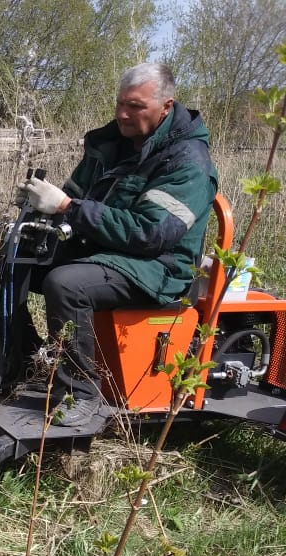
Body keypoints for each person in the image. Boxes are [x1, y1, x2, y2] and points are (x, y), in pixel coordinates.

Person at [20, 62, 218, 426]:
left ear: (166, 106)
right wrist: (38, 213)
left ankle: (81, 393)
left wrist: (67, 207)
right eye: (120, 104)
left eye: (136, 107)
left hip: (158, 267)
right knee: (9, 256)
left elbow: (150, 234)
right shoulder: (113, 145)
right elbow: (77, 195)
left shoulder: (187, 162)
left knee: (66, 285)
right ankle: (21, 358)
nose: (123, 114)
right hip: (105, 249)